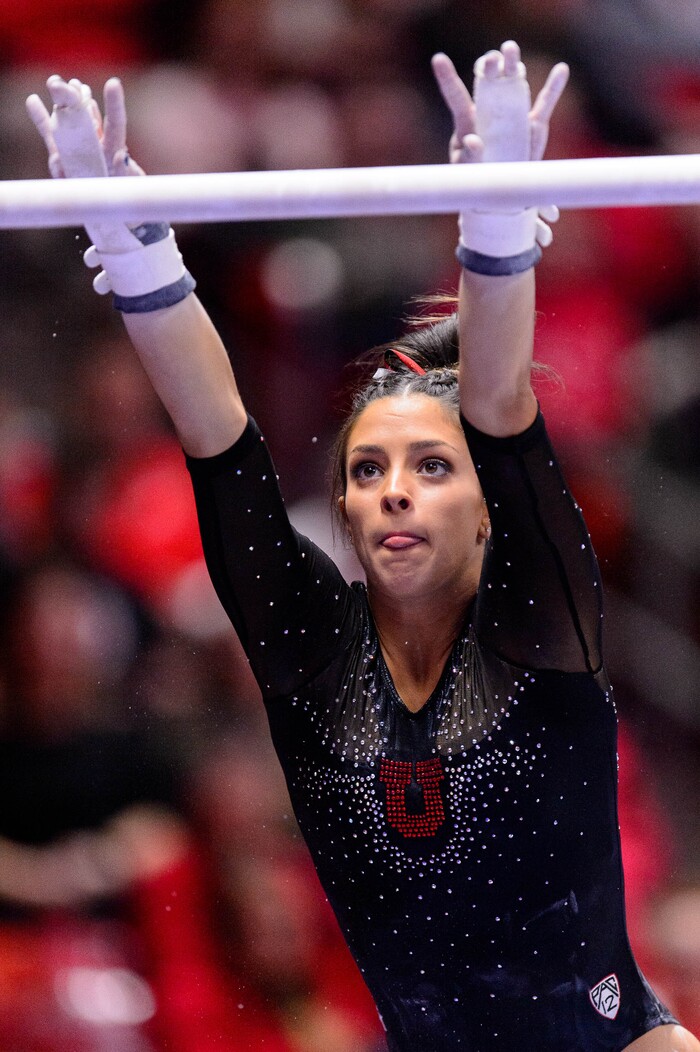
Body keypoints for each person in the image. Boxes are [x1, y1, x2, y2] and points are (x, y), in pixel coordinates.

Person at [25, 41, 700, 1052]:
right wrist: (135, 251)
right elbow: (218, 439)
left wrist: (496, 222)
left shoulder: (540, 630)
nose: (394, 489)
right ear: (342, 506)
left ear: (489, 509)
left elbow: (500, 408)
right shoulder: (312, 653)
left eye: (431, 466)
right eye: (368, 468)